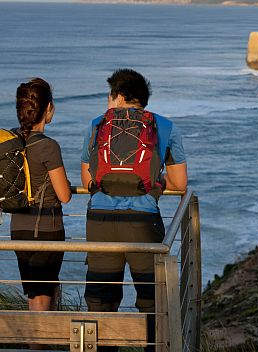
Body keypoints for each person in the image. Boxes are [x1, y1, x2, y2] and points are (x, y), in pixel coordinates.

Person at [80, 69, 188, 352]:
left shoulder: (96, 124)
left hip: (100, 220)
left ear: (117, 97)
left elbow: (87, 179)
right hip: (142, 221)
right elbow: (180, 183)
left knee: (102, 298)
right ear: (143, 99)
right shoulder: (164, 126)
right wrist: (157, 182)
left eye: (109, 95)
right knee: (152, 299)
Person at [10, 78, 72, 335]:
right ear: (48, 109)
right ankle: (39, 345)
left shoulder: (10, 141)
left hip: (18, 228)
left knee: (33, 295)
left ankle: (41, 342)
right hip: (46, 229)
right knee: (42, 298)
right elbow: (64, 195)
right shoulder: (48, 146)